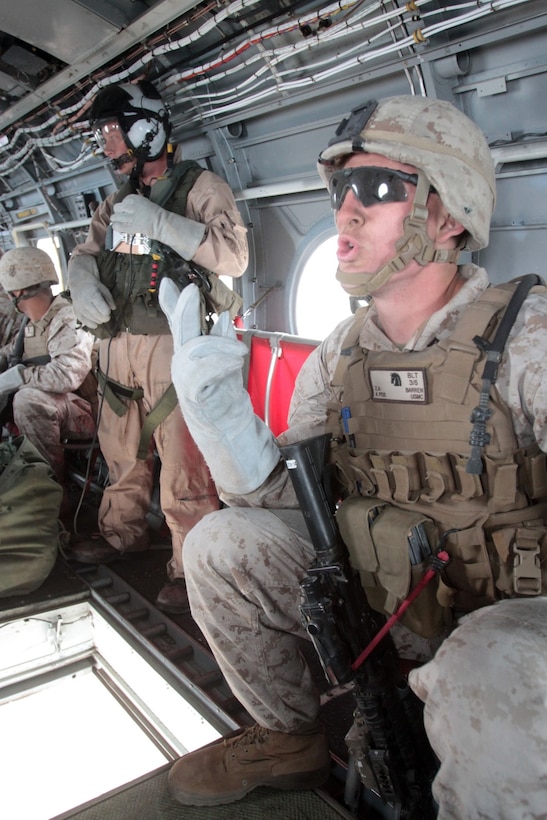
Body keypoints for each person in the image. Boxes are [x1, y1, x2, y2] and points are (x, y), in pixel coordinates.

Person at [158, 95, 547, 818]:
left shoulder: (527, 337)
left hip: (511, 623)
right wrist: (225, 433)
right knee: (220, 544)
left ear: (447, 214)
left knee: (490, 663)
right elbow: (289, 503)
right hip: (384, 596)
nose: (345, 212)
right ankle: (286, 736)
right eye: (338, 192)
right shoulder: (339, 354)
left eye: (376, 189)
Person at [67, 80, 248, 614]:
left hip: (175, 341)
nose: (107, 146)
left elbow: (233, 256)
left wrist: (164, 224)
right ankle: (121, 533)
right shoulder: (116, 202)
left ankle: (190, 566)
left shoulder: (201, 186)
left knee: (182, 461)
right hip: (119, 344)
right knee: (120, 448)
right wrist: (80, 283)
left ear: (147, 131)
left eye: (112, 133)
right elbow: (85, 253)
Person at [0, 246, 95, 483]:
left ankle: (49, 490)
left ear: (17, 291)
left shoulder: (67, 317)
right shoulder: (32, 323)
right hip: (63, 407)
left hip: (88, 411)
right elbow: (11, 353)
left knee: (28, 399)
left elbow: (67, 375)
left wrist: (20, 377)